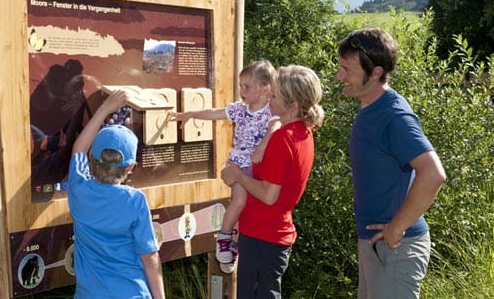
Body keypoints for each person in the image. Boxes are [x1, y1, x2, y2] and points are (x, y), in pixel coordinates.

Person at [335, 27, 446, 298]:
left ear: (375, 73)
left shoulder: (394, 116)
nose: (339, 76)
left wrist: (397, 228)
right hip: (376, 244)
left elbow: (433, 174)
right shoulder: (369, 106)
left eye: (347, 70)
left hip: (396, 249)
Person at [220, 65, 325, 298]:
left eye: (275, 95)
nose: (270, 98)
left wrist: (238, 176)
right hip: (272, 233)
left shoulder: (283, 139)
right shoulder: (303, 132)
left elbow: (269, 195)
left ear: (293, 104)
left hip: (262, 234)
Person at [168, 59, 281, 273]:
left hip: (257, 167)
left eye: (247, 87)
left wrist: (262, 146)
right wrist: (190, 114)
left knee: (249, 208)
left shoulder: (271, 112)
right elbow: (215, 113)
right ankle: (224, 236)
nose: (242, 91)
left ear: (267, 90)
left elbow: (276, 126)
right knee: (238, 202)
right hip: (238, 164)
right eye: (241, 86)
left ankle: (234, 246)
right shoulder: (240, 109)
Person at [67, 90, 165, 299]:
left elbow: (78, 149)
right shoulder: (135, 201)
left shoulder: (79, 189)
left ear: (92, 159)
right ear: (130, 167)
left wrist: (105, 108)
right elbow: (149, 258)